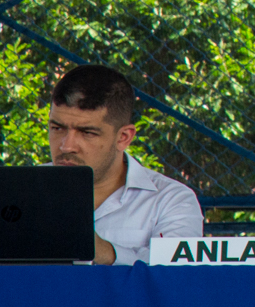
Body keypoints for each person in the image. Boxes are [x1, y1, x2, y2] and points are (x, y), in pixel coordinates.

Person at [48, 64, 203, 265]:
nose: (66, 146)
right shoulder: (20, 192)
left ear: (123, 137)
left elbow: (174, 280)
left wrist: (106, 253)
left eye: (87, 133)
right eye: (57, 128)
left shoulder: (170, 201)